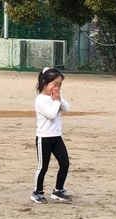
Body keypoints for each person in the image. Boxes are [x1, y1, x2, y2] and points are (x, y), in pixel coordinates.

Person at [32, 67, 72, 204]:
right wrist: (56, 101)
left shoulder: (55, 98)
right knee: (43, 167)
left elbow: (67, 108)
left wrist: (59, 99)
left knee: (65, 163)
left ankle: (58, 190)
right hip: (44, 138)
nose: (57, 88)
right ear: (45, 83)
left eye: (59, 85)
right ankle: (37, 192)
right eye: (54, 84)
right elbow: (51, 114)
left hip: (56, 137)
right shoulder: (40, 99)